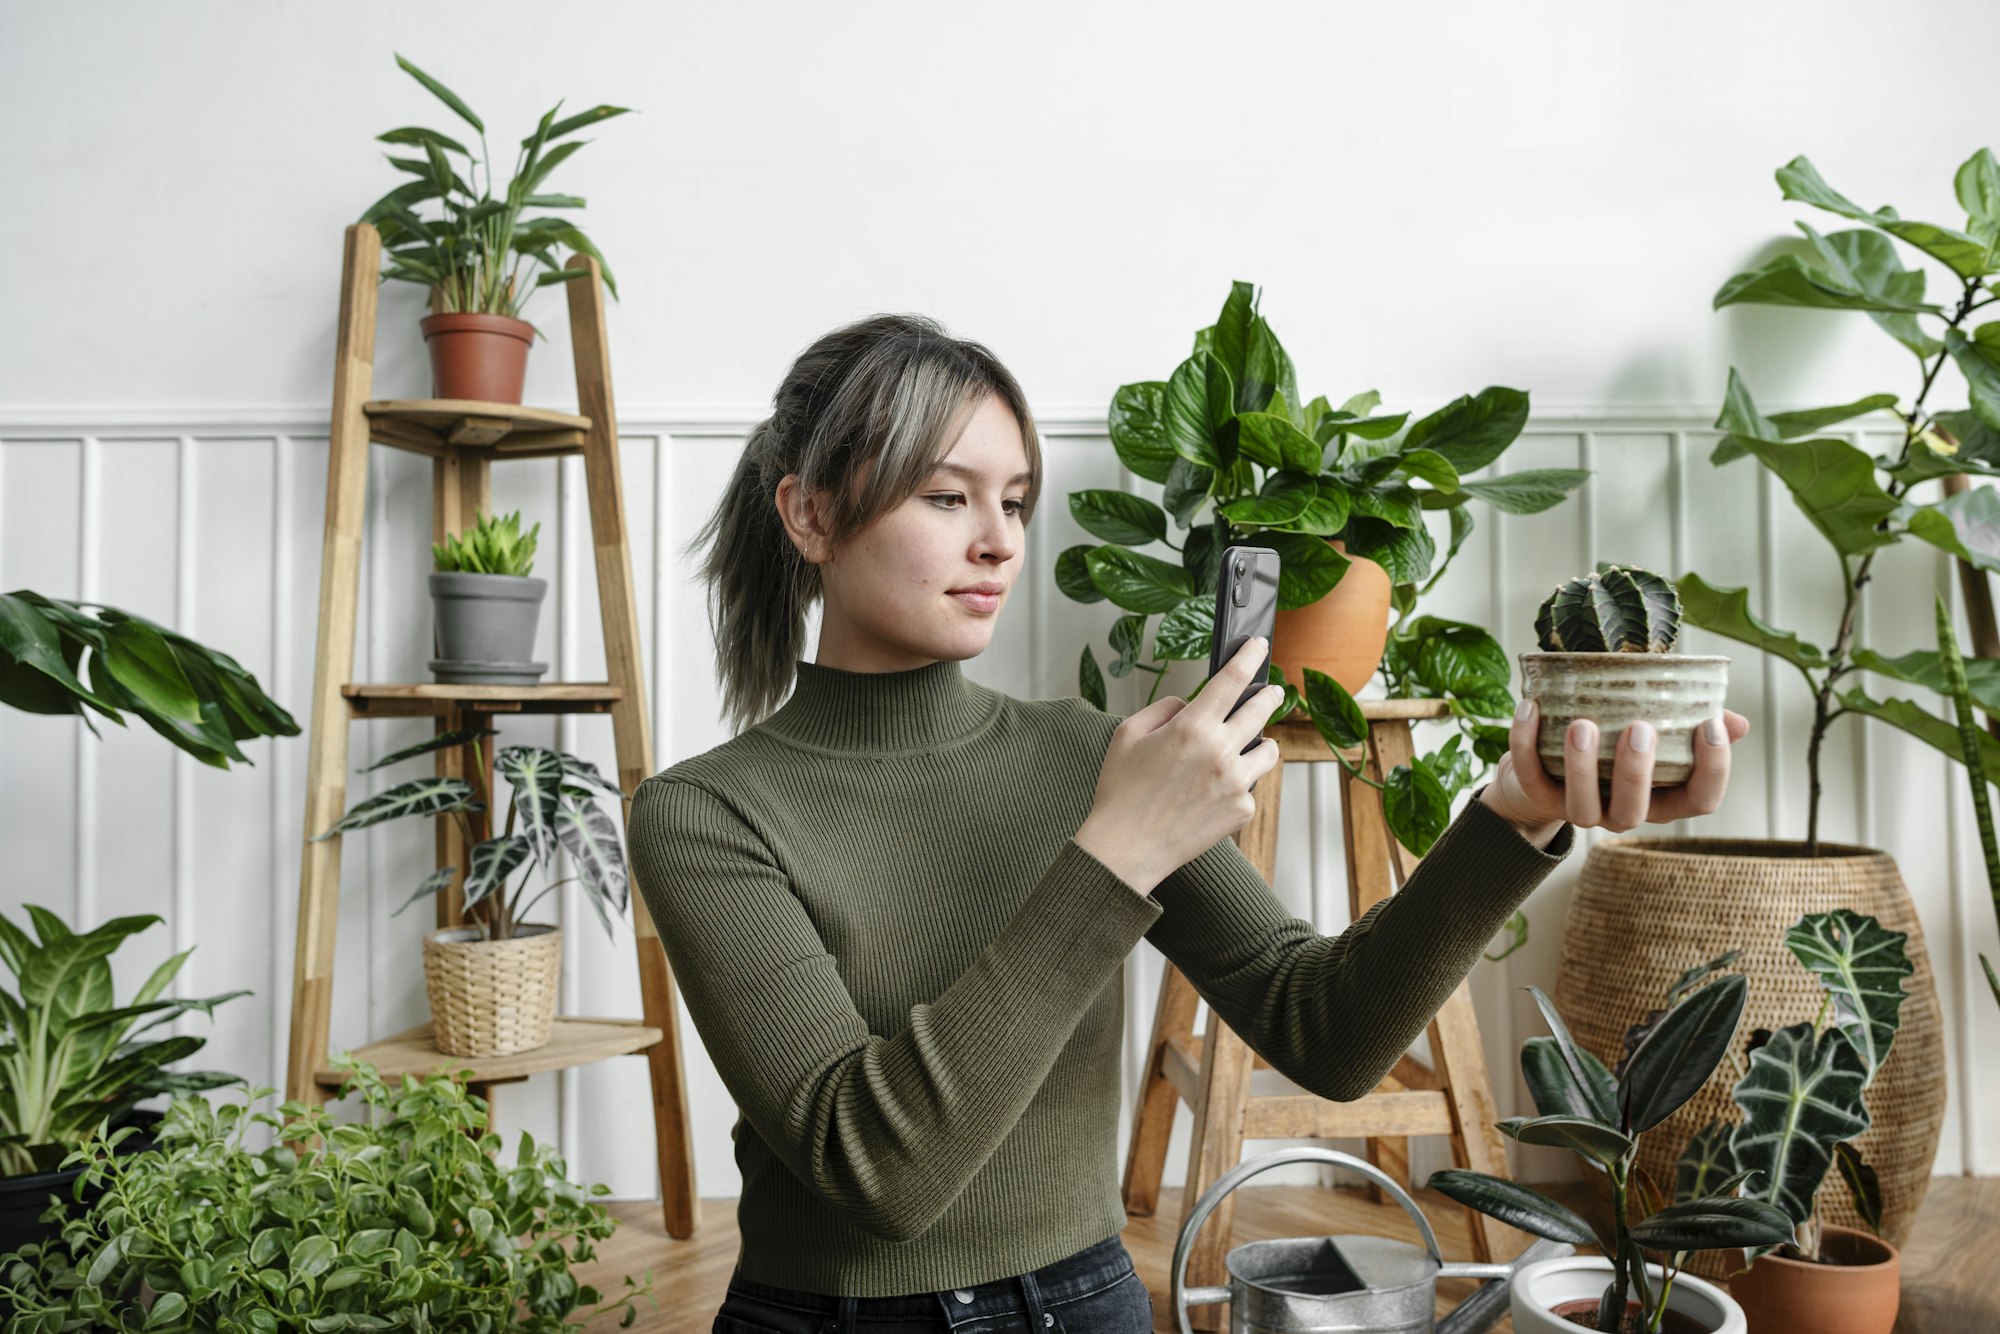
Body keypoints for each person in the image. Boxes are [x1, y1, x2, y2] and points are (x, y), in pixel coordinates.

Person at [625, 313, 1749, 1334]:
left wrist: (1515, 814)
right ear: (808, 512)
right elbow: (874, 1166)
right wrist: (1119, 847)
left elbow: (1328, 1029)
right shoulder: (704, 814)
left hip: (1085, 1302)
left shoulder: (1080, 756)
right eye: (943, 494)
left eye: (1013, 500)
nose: (999, 541)